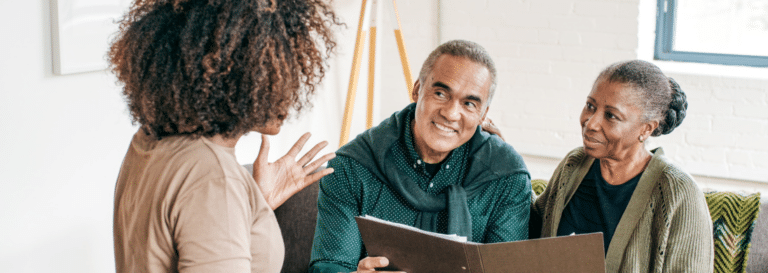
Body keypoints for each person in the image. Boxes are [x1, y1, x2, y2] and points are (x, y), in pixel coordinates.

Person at [109, 0, 341, 272]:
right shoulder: (214, 179)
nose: (290, 90)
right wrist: (230, 197)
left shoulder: (149, 140)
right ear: (232, 77)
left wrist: (254, 204)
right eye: (275, 71)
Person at [309, 40, 532, 272]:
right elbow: (330, 265)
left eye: (469, 103)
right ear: (417, 90)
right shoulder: (352, 166)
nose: (451, 113)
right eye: (441, 93)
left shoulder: (506, 176)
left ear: (483, 114)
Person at [530, 60, 713, 272]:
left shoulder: (679, 192)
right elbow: (535, 227)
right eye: (590, 106)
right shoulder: (574, 164)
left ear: (646, 128)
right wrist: (508, 166)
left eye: (611, 116)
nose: (591, 123)